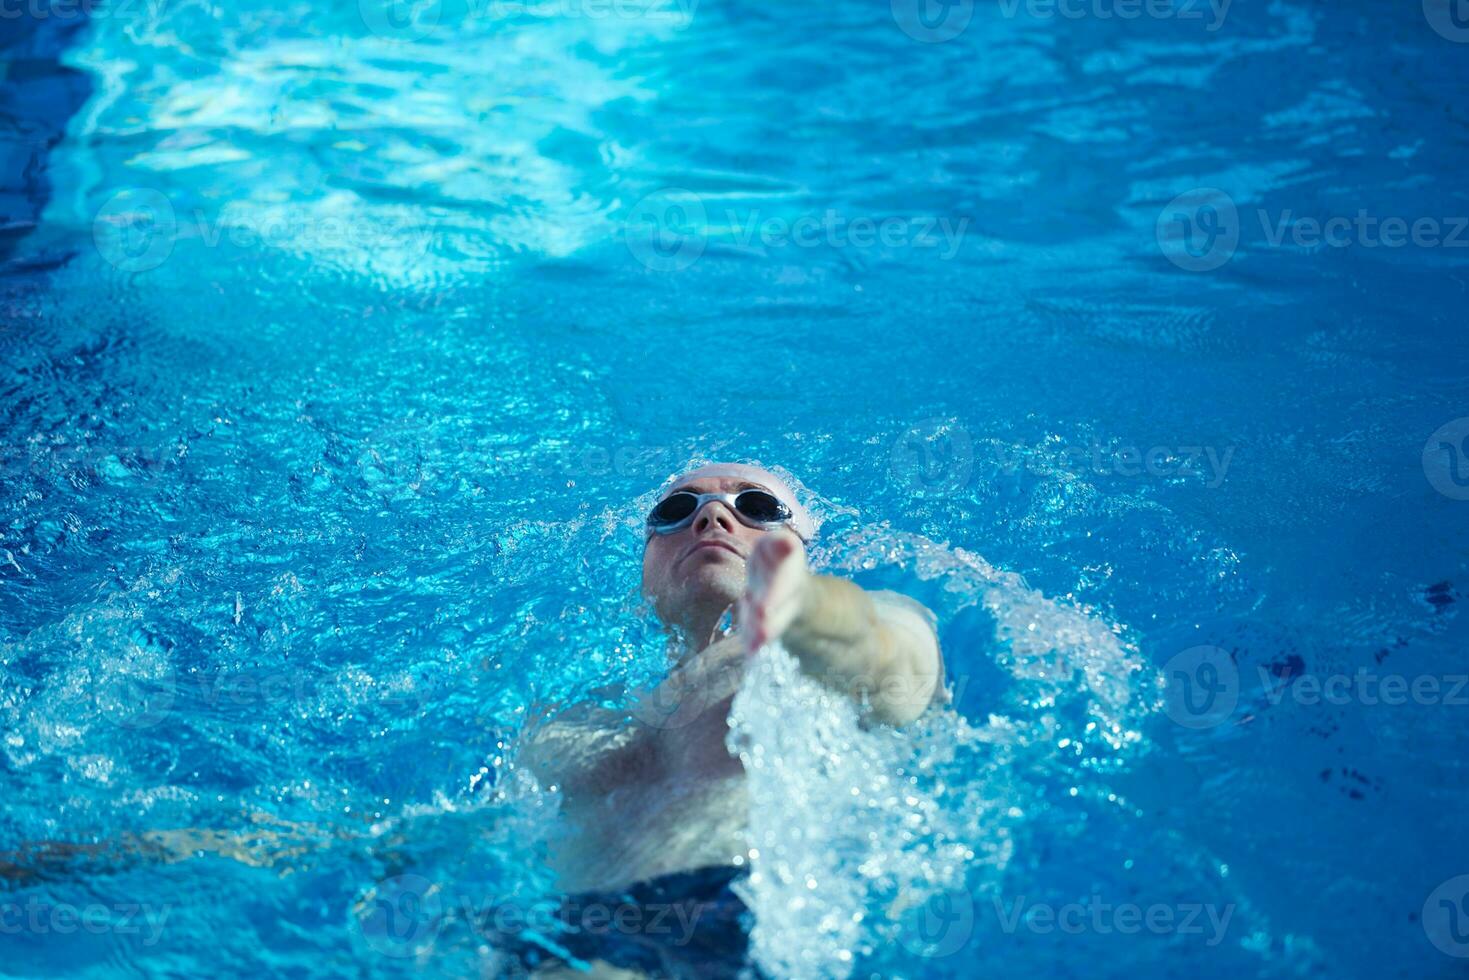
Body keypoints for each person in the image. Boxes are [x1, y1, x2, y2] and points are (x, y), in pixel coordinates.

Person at [514, 463, 946, 975]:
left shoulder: (803, 655)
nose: (714, 516)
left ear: (805, 552)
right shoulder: (590, 710)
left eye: (757, 508)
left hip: (730, 915)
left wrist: (807, 612)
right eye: (676, 511)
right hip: (554, 933)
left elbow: (896, 662)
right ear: (644, 568)